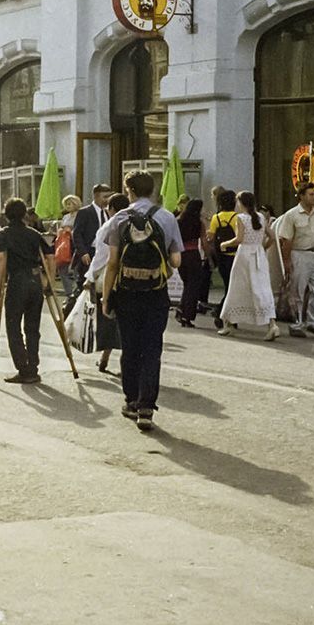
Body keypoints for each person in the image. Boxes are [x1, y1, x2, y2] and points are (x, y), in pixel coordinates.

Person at [102, 172, 182, 432]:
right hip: (155, 293)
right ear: (152, 191)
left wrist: (106, 298)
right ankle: (147, 407)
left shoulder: (119, 219)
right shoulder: (167, 217)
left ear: (130, 191)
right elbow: (176, 261)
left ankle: (131, 401)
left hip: (126, 292)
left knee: (130, 347)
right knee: (152, 349)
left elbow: (112, 263)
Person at [0, 197, 54, 384]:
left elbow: (0, 259)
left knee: (13, 325)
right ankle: (33, 366)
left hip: (17, 282)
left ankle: (24, 368)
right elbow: (50, 257)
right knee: (32, 327)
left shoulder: (4, 234)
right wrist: (48, 280)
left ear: (6, 214)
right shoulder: (34, 234)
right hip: (35, 281)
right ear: (24, 214)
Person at [217, 191, 280, 340]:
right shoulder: (261, 217)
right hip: (258, 254)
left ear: (241, 203)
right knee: (261, 288)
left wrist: (224, 244)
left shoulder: (241, 218)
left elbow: (239, 239)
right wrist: (263, 246)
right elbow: (272, 236)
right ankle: (272, 323)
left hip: (244, 254)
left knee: (237, 287)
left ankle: (228, 322)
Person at [276, 184, 314, 337]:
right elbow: (286, 240)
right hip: (299, 254)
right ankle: (297, 323)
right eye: (310, 194)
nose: (313, 197)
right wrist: (286, 261)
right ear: (301, 196)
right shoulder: (292, 215)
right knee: (298, 290)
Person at [87, 193, 129, 373]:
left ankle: (105, 358)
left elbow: (102, 257)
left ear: (111, 209)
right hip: (132, 278)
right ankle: (119, 360)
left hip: (111, 279)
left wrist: (90, 277)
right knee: (128, 322)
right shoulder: (138, 221)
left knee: (109, 319)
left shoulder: (109, 226)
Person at [206, 189, 240, 329]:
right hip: (234, 257)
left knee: (228, 286)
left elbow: (211, 237)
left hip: (221, 256)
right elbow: (239, 238)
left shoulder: (216, 218)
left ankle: (227, 315)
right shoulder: (237, 217)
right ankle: (222, 312)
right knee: (232, 288)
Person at [71, 184, 113, 290]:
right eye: (104, 197)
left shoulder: (108, 213)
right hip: (89, 252)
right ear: (96, 196)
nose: (107, 200)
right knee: (84, 284)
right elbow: (76, 233)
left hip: (103, 252)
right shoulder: (85, 212)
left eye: (108, 197)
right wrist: (83, 252)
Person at [175, 198, 207, 327]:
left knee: (187, 284)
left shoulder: (178, 221)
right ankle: (186, 315)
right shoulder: (199, 223)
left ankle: (182, 309)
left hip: (181, 255)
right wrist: (209, 257)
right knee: (193, 286)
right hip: (193, 255)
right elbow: (204, 242)